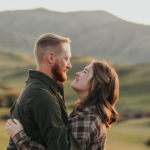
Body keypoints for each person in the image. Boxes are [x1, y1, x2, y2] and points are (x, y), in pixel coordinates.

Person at [6, 60, 119, 150]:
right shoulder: (87, 113)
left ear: (98, 85)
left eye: (85, 72)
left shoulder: (88, 118)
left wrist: (19, 137)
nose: (77, 73)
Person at [6, 33, 82, 150]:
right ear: (51, 58)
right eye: (66, 59)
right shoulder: (42, 96)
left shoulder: (41, 88)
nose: (69, 65)